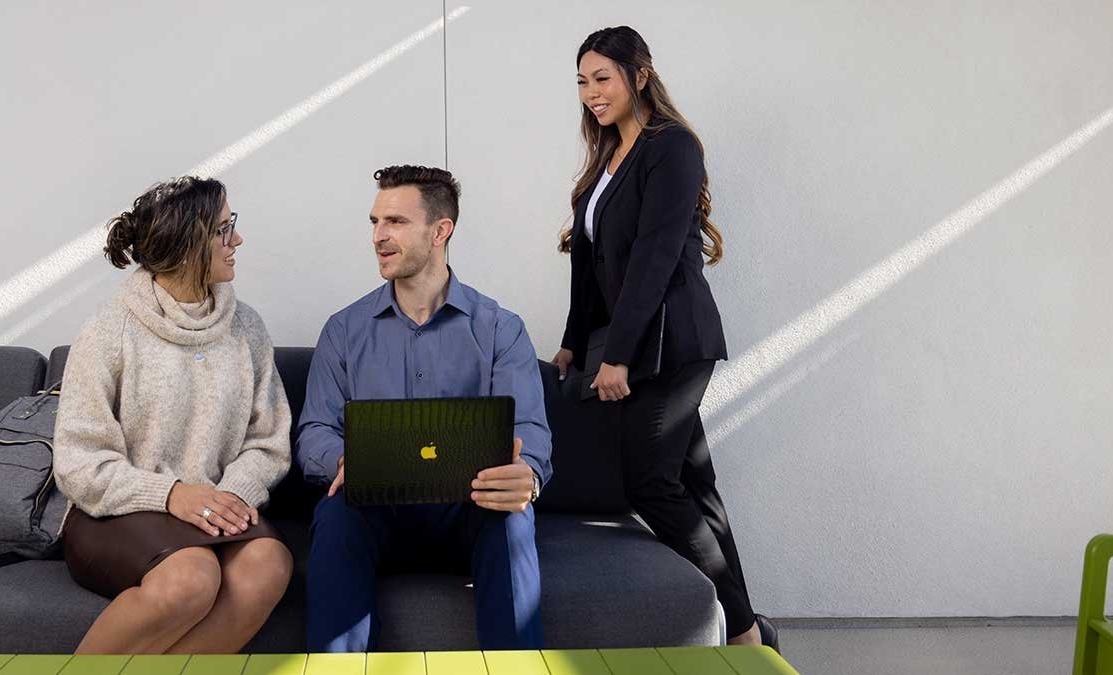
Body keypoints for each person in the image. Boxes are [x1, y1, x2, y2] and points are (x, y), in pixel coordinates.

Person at [552, 26, 776, 649]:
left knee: (649, 482)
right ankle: (749, 631)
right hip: (632, 343)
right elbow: (590, 264)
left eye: (603, 78)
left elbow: (653, 259)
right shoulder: (606, 157)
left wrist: (617, 355)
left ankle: (742, 629)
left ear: (639, 76)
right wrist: (575, 341)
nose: (591, 93)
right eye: (582, 82)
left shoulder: (671, 147)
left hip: (674, 343)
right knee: (694, 485)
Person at [297, 165, 553, 652]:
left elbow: (529, 428)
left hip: (469, 510)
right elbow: (314, 430)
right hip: (375, 510)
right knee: (335, 514)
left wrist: (528, 475)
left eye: (394, 222)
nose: (378, 236)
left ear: (440, 231)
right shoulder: (344, 330)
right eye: (374, 222)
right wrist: (342, 460)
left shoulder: (501, 328)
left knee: (512, 515)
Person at [53, 176, 293, 654]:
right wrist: (171, 494)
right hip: (118, 511)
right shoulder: (109, 330)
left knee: (269, 563)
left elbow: (268, 440)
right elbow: (78, 461)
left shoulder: (246, 327)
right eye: (224, 230)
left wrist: (228, 497)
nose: (237, 241)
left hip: (217, 506)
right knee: (191, 576)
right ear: (188, 245)